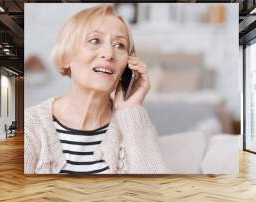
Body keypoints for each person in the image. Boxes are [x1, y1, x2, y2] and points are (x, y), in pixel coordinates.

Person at [24, 4, 168, 174]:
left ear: (127, 66)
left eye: (119, 45)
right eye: (95, 41)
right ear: (66, 57)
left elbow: (155, 195)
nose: (108, 53)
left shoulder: (134, 125)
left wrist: (130, 111)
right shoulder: (30, 126)